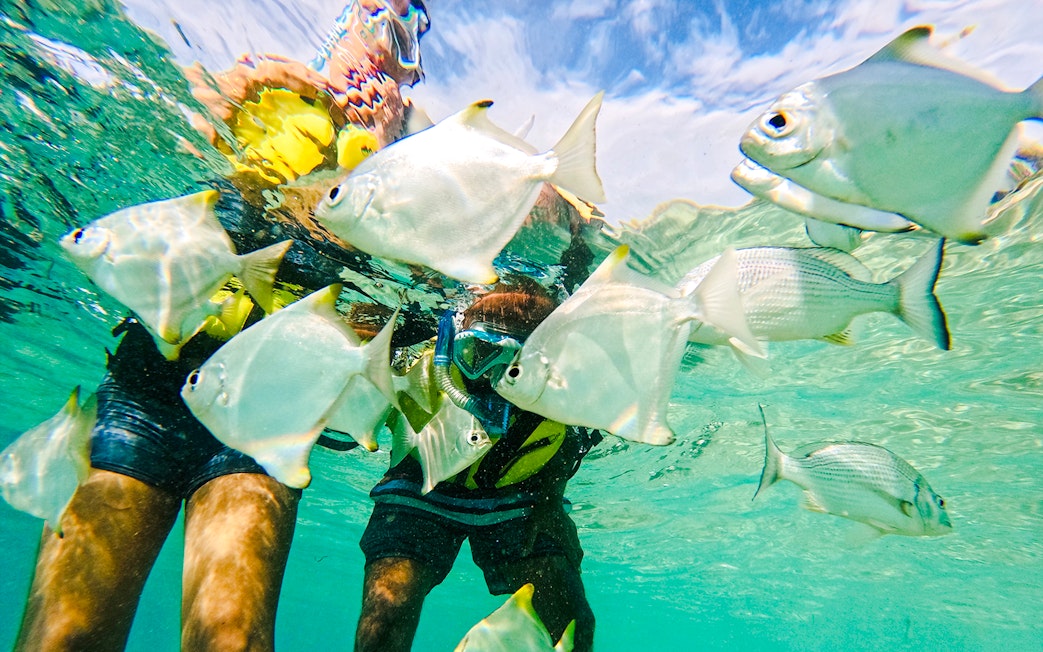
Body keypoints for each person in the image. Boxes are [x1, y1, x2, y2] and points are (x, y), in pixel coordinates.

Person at [14, 2, 429, 650]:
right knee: (65, 635)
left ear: (411, 79)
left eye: (405, 39)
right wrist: (223, 95)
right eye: (367, 19)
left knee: (230, 640)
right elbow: (166, 149)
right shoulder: (267, 88)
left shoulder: (422, 168)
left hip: (264, 414)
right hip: (147, 386)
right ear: (336, 35)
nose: (381, 49)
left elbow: (395, 308)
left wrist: (384, 173)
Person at [354, 278, 602, 652]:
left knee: (572, 622)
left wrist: (550, 500)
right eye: (478, 352)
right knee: (388, 612)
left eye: (517, 363)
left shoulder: (560, 396)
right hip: (420, 483)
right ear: (451, 341)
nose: (492, 378)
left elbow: (570, 443)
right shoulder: (423, 374)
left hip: (525, 497)